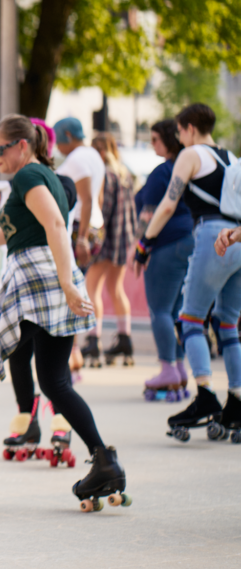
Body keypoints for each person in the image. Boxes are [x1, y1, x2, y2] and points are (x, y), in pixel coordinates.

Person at [0, 114, 128, 514]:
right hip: (50, 278)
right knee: (54, 382)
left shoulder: (26, 177)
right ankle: (105, 463)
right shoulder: (43, 176)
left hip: (34, 282)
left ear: (22, 145)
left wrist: (70, 284)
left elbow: (55, 223)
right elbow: (16, 230)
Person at [145, 104, 241, 438]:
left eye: (179, 131)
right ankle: (237, 400)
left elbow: (169, 203)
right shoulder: (231, 157)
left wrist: (145, 241)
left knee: (190, 319)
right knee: (228, 324)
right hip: (239, 238)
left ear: (187, 128)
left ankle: (205, 396)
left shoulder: (191, 154)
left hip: (212, 237)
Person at [132, 120, 193, 400]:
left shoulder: (161, 172)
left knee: (160, 310)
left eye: (155, 139)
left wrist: (142, 247)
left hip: (165, 243)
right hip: (190, 240)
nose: (152, 144)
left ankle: (167, 367)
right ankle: (179, 368)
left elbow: (149, 212)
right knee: (178, 310)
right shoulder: (190, 166)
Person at [53, 117, 106, 366]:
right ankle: (73, 350)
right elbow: (99, 198)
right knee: (77, 287)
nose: (56, 145)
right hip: (93, 227)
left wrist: (82, 238)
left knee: (69, 290)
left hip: (78, 230)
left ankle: (71, 353)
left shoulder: (77, 159)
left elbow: (84, 199)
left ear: (66, 134)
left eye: (57, 138)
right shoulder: (94, 155)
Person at [87, 132, 139, 366]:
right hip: (123, 238)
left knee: (92, 290)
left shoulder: (104, 175)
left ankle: (93, 340)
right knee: (116, 289)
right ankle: (125, 339)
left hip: (105, 239)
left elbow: (102, 209)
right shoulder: (125, 173)